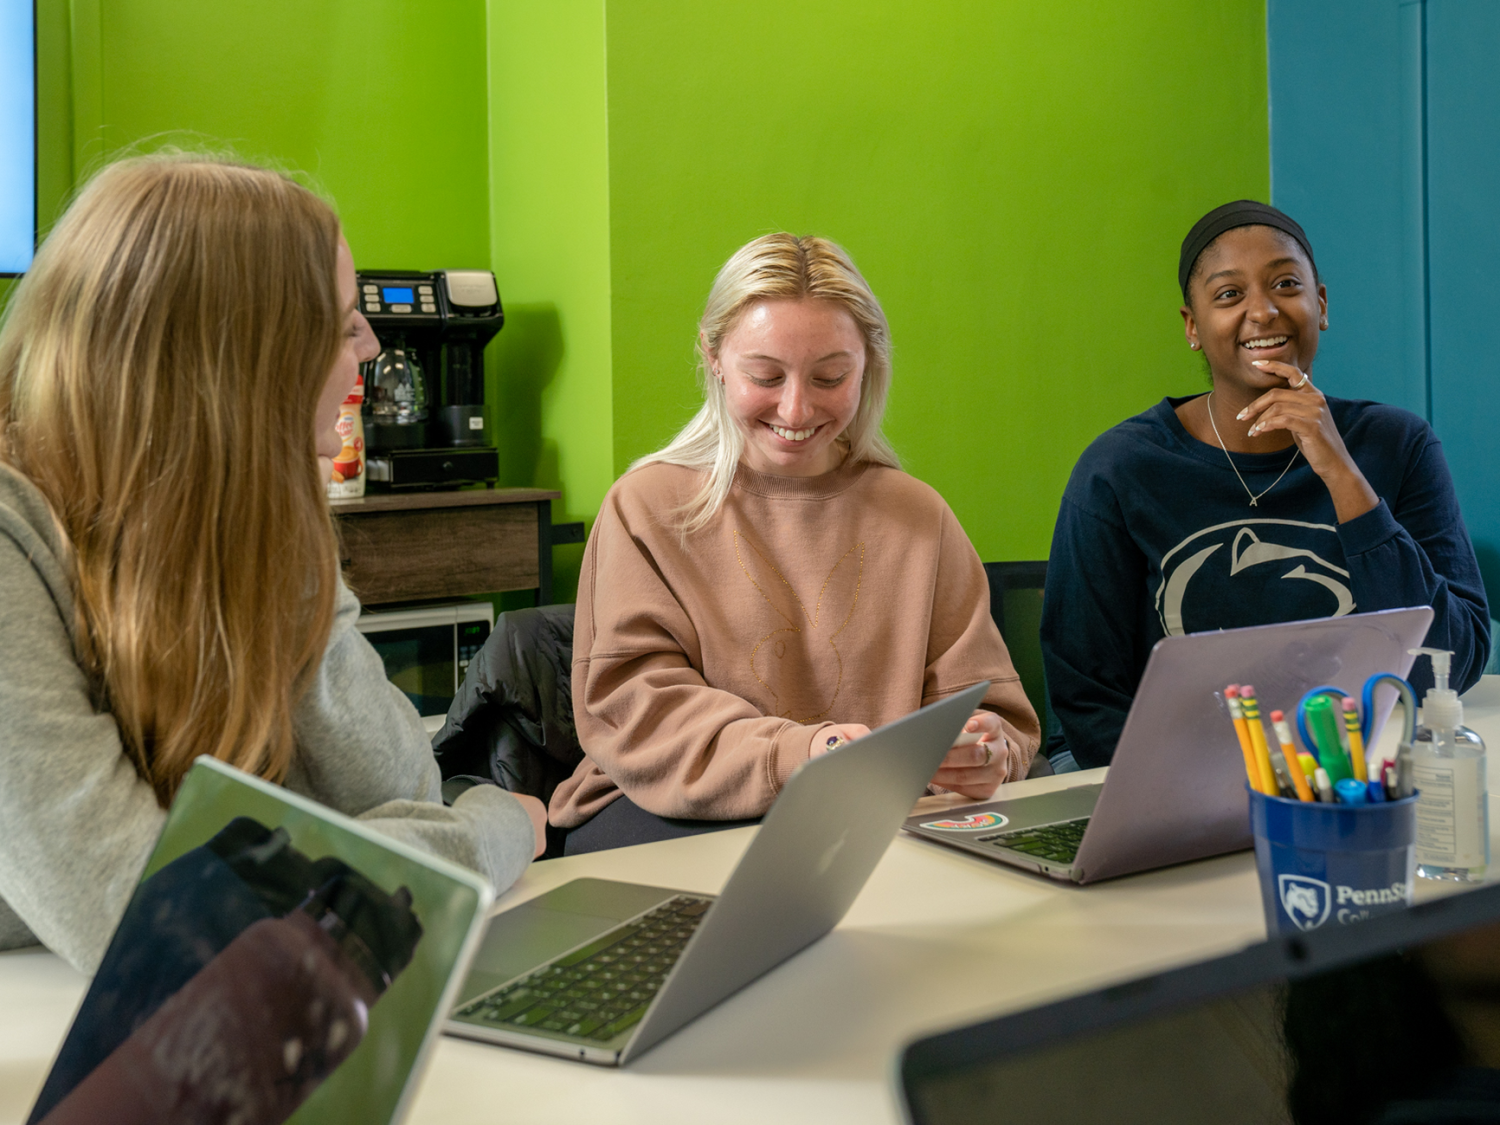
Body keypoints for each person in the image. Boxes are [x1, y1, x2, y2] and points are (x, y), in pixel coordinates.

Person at [0, 155, 547, 973]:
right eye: (338, 323)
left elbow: (401, 793)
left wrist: (286, 547)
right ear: (232, 369)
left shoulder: (224, 531)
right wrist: (490, 830)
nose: (367, 350)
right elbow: (156, 925)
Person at [550, 233, 1040, 853]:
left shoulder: (917, 514)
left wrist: (985, 746)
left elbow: (989, 706)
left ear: (869, 367)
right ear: (713, 358)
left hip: (877, 818)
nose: (796, 406)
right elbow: (639, 712)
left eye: (830, 376)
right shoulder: (646, 506)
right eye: (765, 375)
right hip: (674, 813)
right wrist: (809, 754)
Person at [1041, 200, 1490, 770]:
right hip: (1158, 767)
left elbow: (1452, 666)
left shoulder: (1397, 445)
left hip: (1345, 766)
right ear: (1192, 327)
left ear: (1319, 304)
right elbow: (1086, 698)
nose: (1263, 311)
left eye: (1285, 284)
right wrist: (1201, 793)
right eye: (1229, 295)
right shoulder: (1120, 469)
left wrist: (1342, 475)